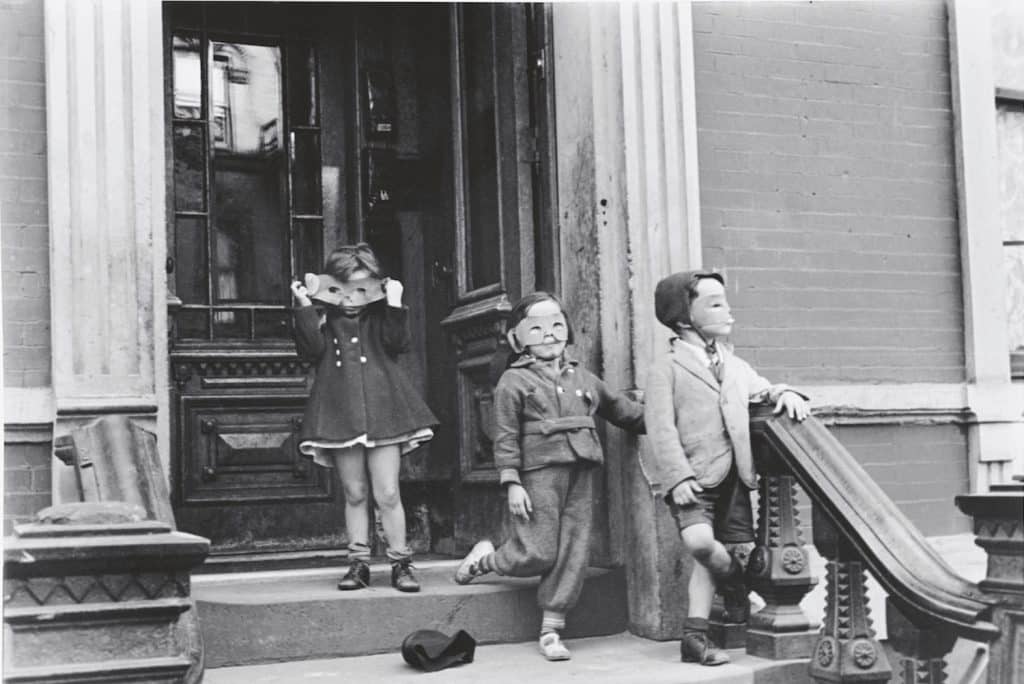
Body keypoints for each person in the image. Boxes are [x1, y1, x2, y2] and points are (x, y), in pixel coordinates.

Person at [453, 292, 645, 661]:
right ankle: (487, 560)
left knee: (574, 549)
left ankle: (552, 629)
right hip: (539, 474)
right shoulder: (513, 381)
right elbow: (505, 436)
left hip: (582, 469)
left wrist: (669, 418)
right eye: (536, 328)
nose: (549, 334)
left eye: (556, 324)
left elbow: (623, 411)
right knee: (539, 550)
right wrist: (512, 482)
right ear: (517, 338)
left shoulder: (583, 377)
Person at [642, 270, 809, 666]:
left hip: (734, 476)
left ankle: (694, 639)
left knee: (713, 554)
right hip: (693, 479)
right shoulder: (665, 368)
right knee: (701, 543)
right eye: (715, 304)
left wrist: (783, 391)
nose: (728, 310)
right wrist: (677, 477)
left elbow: (759, 388)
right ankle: (734, 585)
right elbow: (660, 428)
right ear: (685, 319)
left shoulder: (733, 364)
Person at [291, 243, 438, 593]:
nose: (351, 299)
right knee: (355, 492)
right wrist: (304, 307)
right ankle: (358, 564)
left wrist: (394, 302)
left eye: (360, 288)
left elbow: (398, 343)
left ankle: (401, 563)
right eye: (342, 288)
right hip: (340, 413)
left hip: (384, 411)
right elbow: (311, 351)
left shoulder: (380, 315)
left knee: (387, 492)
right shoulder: (324, 317)